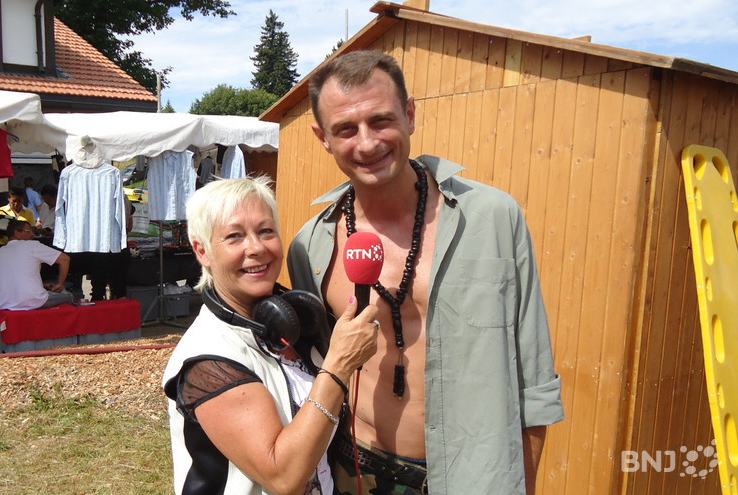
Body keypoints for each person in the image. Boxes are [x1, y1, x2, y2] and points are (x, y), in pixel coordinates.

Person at [287, 50, 564, 495]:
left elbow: (534, 383)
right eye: (346, 129)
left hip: (472, 477)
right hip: (355, 469)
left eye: (380, 120)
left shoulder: (494, 219)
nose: (367, 143)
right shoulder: (310, 246)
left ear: (410, 114)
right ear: (323, 137)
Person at [162, 176, 380, 494]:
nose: (256, 248)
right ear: (203, 252)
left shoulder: (292, 324)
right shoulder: (208, 360)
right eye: (234, 236)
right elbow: (283, 477)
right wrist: (339, 366)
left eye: (266, 231)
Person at [0, 220, 73, 311]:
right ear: (17, 233)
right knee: (68, 295)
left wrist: (43, 285)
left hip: (4, 304)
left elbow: (14, 279)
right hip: (33, 301)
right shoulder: (32, 245)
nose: (33, 234)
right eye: (28, 231)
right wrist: (60, 284)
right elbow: (65, 259)